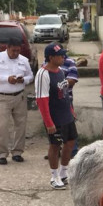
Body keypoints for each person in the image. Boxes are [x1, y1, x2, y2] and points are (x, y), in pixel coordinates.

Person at [34, 43, 76, 190]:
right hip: (55, 117)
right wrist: (49, 123)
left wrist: (71, 110)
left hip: (66, 115)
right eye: (60, 55)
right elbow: (42, 100)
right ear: (51, 57)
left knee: (70, 143)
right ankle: (54, 176)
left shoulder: (60, 71)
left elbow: (64, 93)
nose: (63, 57)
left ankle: (64, 173)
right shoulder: (43, 74)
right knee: (55, 145)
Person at [0, 38, 34, 165]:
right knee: (2, 126)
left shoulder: (23, 60)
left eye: (18, 50)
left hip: (19, 96)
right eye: (13, 50)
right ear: (7, 47)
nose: (15, 53)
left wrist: (24, 80)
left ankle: (17, 152)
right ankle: (1, 154)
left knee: (20, 125)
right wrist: (7, 79)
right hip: (3, 97)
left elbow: (31, 76)